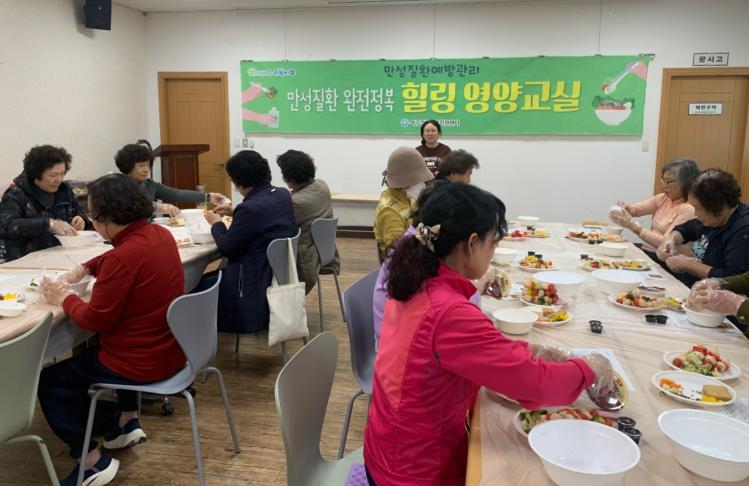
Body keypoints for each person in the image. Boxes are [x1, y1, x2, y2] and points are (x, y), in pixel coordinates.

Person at [364, 183, 615, 485]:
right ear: (471, 244)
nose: (493, 253)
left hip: (389, 450)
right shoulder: (448, 312)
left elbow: (473, 350)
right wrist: (589, 369)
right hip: (414, 471)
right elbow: (533, 383)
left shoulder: (415, 278)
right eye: (492, 243)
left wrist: (530, 350)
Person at [37, 174, 187, 486]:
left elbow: (94, 321)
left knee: (50, 381)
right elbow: (120, 252)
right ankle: (125, 423)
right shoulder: (159, 234)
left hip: (140, 361)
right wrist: (86, 267)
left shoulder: (123, 257)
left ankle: (91, 461)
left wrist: (63, 297)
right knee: (99, 349)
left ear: (106, 218)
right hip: (171, 351)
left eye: (92, 214)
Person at [199, 150, 297, 333]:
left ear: (239, 180)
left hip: (248, 285)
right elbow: (263, 218)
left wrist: (216, 223)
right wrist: (235, 212)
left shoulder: (249, 208)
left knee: (192, 287)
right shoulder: (282, 194)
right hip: (275, 276)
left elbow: (227, 248)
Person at [656, 169, 749, 287]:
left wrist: (689, 265)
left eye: (698, 208)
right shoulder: (713, 219)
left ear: (717, 205)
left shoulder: (743, 229)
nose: (696, 214)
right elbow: (686, 228)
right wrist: (671, 239)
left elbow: (733, 278)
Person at [0, 144, 89, 262]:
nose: (59, 180)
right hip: (26, 261)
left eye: (62, 174)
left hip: (62, 256)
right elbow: (5, 226)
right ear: (36, 174)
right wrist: (48, 224)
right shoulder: (16, 194)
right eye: (53, 175)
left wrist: (81, 219)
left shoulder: (64, 190)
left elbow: (78, 210)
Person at [276, 149, 340, 294]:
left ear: (289, 176)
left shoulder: (296, 202)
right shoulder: (322, 186)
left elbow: (278, 225)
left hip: (305, 258)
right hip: (325, 250)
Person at [609, 158, 699, 260]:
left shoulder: (689, 209)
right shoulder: (664, 198)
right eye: (663, 180)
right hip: (648, 250)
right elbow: (637, 210)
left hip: (664, 259)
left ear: (686, 183)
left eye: (669, 182)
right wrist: (625, 207)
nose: (664, 186)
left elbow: (666, 243)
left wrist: (634, 227)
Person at [114, 143, 228, 217]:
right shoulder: (117, 185)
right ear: (128, 165)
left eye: (148, 165)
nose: (146, 170)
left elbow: (177, 194)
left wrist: (208, 197)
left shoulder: (150, 185)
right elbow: (131, 206)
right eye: (141, 165)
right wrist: (158, 207)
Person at [374, 147, 434, 261]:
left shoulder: (407, 198)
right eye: (417, 181)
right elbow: (397, 251)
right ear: (404, 183)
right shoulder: (389, 211)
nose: (421, 184)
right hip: (402, 263)